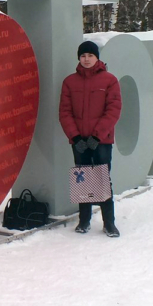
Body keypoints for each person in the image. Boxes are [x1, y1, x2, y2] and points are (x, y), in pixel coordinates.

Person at [59, 40, 122, 237]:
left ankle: (109, 223)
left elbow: (113, 110)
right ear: (79, 57)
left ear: (97, 58)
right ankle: (84, 220)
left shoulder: (110, 80)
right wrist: (75, 137)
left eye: (90, 56)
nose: (86, 59)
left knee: (103, 179)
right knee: (83, 178)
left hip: (101, 140)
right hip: (79, 139)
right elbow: (65, 112)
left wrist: (97, 135)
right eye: (83, 56)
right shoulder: (70, 82)